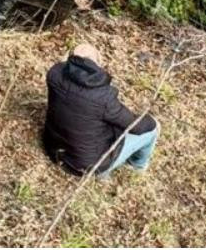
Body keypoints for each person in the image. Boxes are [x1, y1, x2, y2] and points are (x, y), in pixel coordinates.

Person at [42, 43, 159, 177]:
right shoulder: (103, 97)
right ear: (96, 64)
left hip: (55, 150)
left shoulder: (54, 74)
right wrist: (152, 121)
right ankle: (136, 166)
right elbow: (135, 126)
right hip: (86, 166)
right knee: (151, 130)